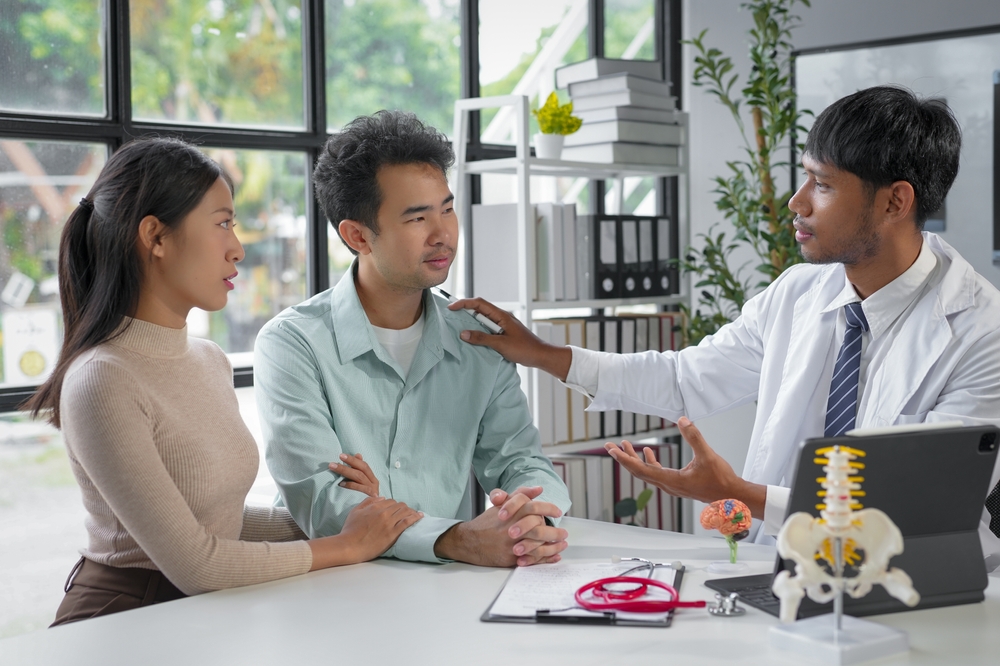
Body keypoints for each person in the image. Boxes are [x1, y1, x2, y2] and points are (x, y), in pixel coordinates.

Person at [451, 85, 1000, 562]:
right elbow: (685, 378)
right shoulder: (799, 293)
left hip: (920, 584)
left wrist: (739, 493)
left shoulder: (981, 331)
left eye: (823, 186)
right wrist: (544, 353)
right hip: (782, 571)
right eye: (804, 179)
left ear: (895, 202)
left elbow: (920, 503)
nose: (797, 202)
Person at [27, 137, 422, 626]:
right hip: (123, 619)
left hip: (202, 615)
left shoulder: (209, 359)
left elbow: (223, 522)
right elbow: (198, 563)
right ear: (156, 236)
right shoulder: (101, 380)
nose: (237, 247)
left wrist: (341, 518)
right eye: (221, 224)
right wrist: (344, 545)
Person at [254, 110, 571, 568]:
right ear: (357, 235)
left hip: (448, 593)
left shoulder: (478, 341)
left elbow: (520, 460)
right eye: (418, 218)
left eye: (446, 208)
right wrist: (453, 539)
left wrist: (530, 517)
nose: (443, 234)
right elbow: (325, 507)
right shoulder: (292, 345)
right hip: (333, 591)